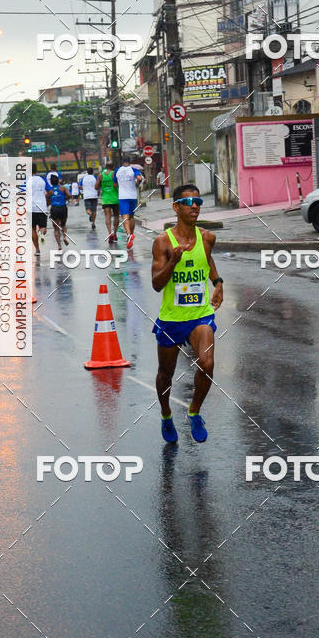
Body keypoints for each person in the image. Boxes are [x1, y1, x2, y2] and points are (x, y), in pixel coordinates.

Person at [151, 184, 223, 444]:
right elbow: (157, 284)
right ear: (176, 207)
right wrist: (173, 262)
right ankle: (166, 414)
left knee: (207, 364)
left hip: (200, 314)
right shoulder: (162, 242)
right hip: (171, 318)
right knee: (165, 374)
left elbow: (208, 261)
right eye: (189, 201)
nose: (195, 205)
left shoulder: (207, 238)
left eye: (198, 201)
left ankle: (194, 412)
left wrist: (218, 283)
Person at [114, 154, 143, 250]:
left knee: (124, 216)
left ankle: (128, 234)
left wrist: (120, 185)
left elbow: (114, 184)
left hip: (123, 197)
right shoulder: (133, 170)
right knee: (131, 217)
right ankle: (131, 234)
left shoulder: (117, 171)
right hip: (133, 196)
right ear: (129, 161)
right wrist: (137, 184)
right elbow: (139, 178)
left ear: (122, 162)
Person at [46, 173, 71, 249]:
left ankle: (59, 245)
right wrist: (66, 199)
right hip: (63, 208)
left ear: (51, 182)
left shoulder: (50, 191)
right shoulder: (63, 188)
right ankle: (64, 237)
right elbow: (69, 195)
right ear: (58, 181)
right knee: (63, 225)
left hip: (54, 209)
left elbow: (47, 200)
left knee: (56, 228)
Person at [97, 161, 120, 243]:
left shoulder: (101, 175)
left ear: (106, 167)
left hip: (106, 199)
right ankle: (115, 234)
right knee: (116, 216)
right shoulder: (115, 174)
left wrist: (101, 183)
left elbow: (96, 187)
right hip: (115, 198)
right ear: (113, 167)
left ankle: (110, 233)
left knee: (107, 217)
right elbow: (118, 184)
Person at [28, 165, 48, 256]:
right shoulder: (42, 180)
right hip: (42, 207)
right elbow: (50, 191)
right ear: (36, 170)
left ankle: (37, 249)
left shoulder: (26, 181)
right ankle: (41, 233)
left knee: (32, 229)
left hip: (30, 207)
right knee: (43, 227)